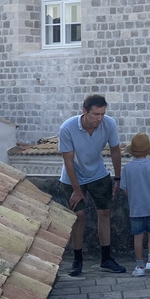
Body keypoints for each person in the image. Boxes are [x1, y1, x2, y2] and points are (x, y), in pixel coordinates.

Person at [59, 94, 125, 275]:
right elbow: (68, 161)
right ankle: (77, 260)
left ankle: (106, 258)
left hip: (98, 173)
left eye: (102, 114)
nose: (99, 118)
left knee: (104, 213)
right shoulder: (68, 128)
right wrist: (77, 190)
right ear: (85, 112)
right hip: (72, 177)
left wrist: (118, 179)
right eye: (96, 114)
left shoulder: (108, 124)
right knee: (78, 215)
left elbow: (115, 151)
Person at [121, 132, 150, 277]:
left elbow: (125, 189)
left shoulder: (127, 168)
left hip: (135, 208)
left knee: (138, 236)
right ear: (148, 151)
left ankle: (139, 266)